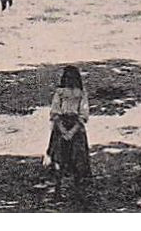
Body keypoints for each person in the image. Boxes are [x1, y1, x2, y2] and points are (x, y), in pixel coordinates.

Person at [46, 65, 92, 197]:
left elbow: (83, 114)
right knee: (59, 156)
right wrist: (62, 129)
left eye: (73, 78)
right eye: (67, 78)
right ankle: (58, 187)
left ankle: (77, 188)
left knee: (78, 156)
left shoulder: (82, 94)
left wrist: (72, 131)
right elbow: (55, 112)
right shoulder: (59, 93)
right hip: (61, 125)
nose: (70, 81)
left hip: (76, 126)